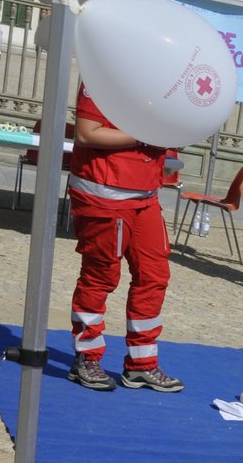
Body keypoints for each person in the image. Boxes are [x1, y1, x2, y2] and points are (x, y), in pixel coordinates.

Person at [64, 83, 182, 393]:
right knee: (101, 275)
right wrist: (145, 136)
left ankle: (141, 365)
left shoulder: (159, 77)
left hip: (144, 195)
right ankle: (86, 358)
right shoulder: (103, 71)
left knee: (154, 275)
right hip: (104, 194)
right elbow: (87, 133)